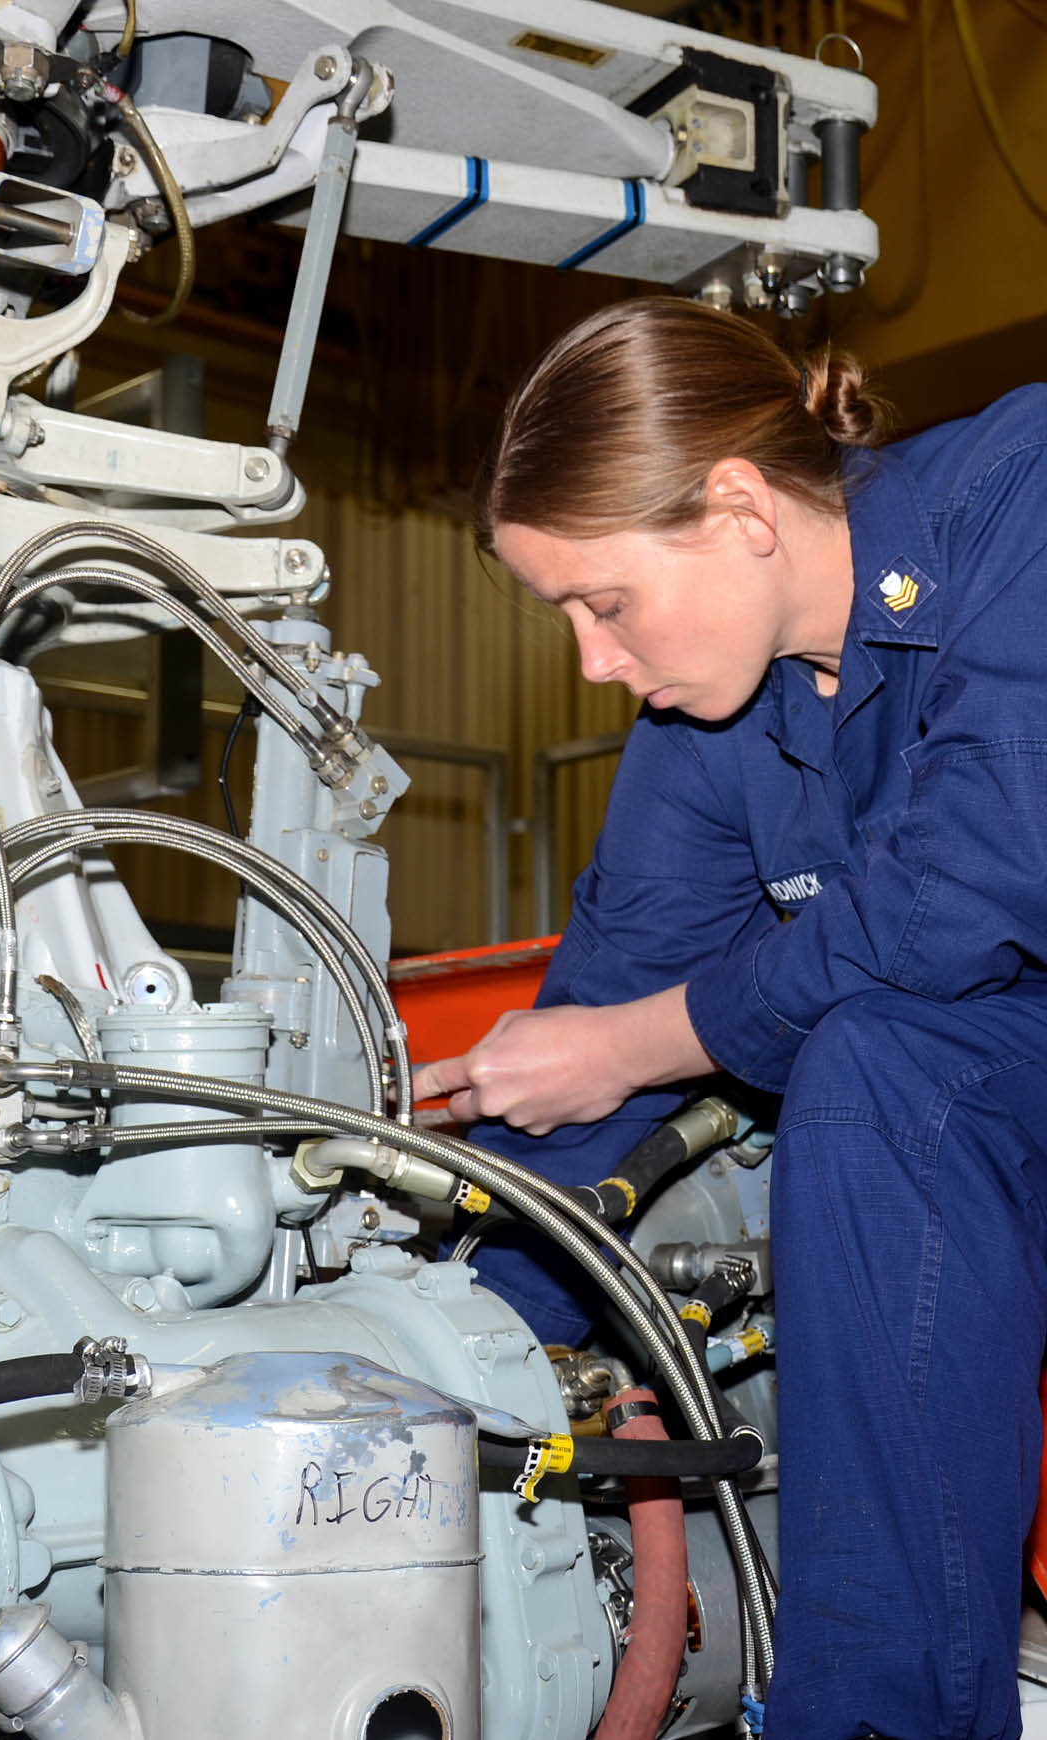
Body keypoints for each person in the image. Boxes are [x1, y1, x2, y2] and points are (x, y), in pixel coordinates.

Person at [412, 296, 1047, 1740]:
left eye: (605, 602)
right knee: (877, 1064)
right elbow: (601, 1026)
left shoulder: (1025, 498)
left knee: (876, 1060)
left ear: (742, 509)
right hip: (1002, 1108)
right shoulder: (709, 729)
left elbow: (969, 888)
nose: (590, 662)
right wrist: (444, 1354)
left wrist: (644, 1042)